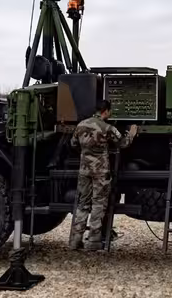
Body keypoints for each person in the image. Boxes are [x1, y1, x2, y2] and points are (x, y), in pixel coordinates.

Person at [69, 100, 138, 250]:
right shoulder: (107, 128)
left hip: (84, 170)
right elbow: (123, 143)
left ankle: (75, 240)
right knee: (98, 204)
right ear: (105, 111)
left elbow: (73, 144)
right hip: (100, 172)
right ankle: (94, 240)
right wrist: (132, 134)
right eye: (110, 111)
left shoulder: (81, 125)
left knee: (82, 203)